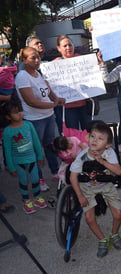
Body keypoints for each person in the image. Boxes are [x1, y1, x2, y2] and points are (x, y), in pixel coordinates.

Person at [69, 120, 121, 258]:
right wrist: (79, 196)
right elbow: (73, 177)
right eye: (92, 136)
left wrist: (103, 162)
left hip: (106, 185)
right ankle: (102, 239)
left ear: (107, 144)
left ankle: (114, 234)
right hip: (87, 188)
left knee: (118, 215)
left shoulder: (109, 153)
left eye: (100, 138)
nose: (94, 140)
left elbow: (118, 172)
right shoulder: (82, 156)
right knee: (89, 218)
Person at [15, 46, 65, 191]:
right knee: (36, 151)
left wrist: (56, 99)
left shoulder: (38, 73)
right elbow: (30, 101)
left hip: (48, 116)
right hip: (34, 120)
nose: (37, 60)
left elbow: (48, 91)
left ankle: (55, 172)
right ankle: (39, 179)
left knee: (50, 146)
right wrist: (53, 104)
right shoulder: (22, 76)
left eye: (38, 57)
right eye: (32, 57)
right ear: (24, 60)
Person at [2, 101, 47, 214]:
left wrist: (40, 155)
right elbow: (7, 150)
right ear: (8, 117)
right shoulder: (7, 131)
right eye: (16, 113)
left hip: (32, 159)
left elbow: (36, 141)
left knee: (35, 179)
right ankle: (26, 201)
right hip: (18, 162)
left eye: (20, 111)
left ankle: (37, 197)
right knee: (23, 181)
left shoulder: (28, 125)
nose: (20, 114)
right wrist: (11, 167)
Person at [53, 34, 91, 133]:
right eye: (65, 46)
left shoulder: (82, 59)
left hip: (84, 104)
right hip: (68, 108)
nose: (68, 48)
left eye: (70, 45)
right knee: (72, 135)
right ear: (59, 48)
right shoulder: (54, 65)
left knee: (88, 133)